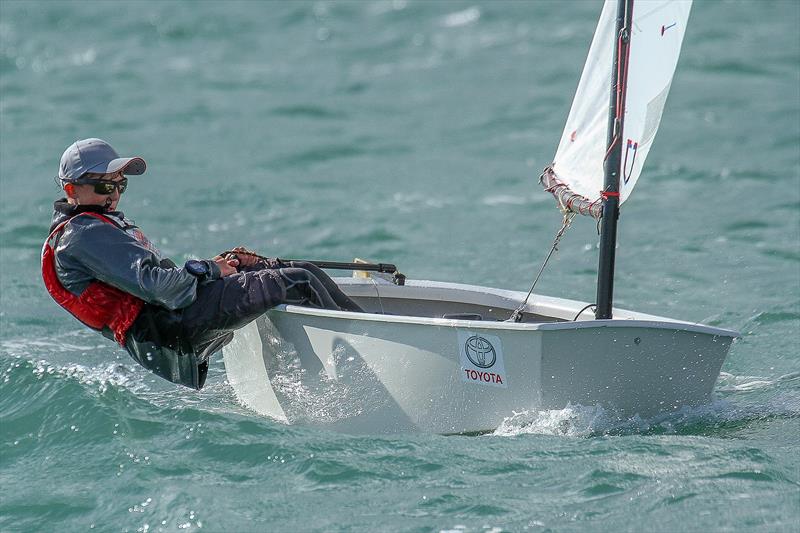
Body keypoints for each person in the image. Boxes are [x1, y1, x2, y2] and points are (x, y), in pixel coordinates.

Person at [44, 138, 362, 389]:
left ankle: (355, 339)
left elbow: (166, 280)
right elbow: (166, 291)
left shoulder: (96, 225)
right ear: (72, 189)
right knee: (296, 280)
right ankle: (365, 353)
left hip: (174, 317)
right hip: (169, 328)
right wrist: (211, 269)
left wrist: (224, 264)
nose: (115, 194)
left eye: (120, 185)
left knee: (299, 271)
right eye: (104, 186)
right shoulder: (83, 236)